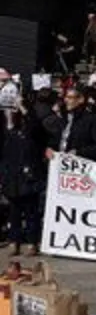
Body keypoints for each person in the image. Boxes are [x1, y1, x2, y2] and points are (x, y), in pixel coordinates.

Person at [1, 106, 48, 255]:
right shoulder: (9, 134)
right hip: (12, 177)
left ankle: (32, 242)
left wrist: (24, 107)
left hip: (29, 177)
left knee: (31, 212)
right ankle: (14, 241)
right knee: (14, 212)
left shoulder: (31, 133)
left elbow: (37, 126)